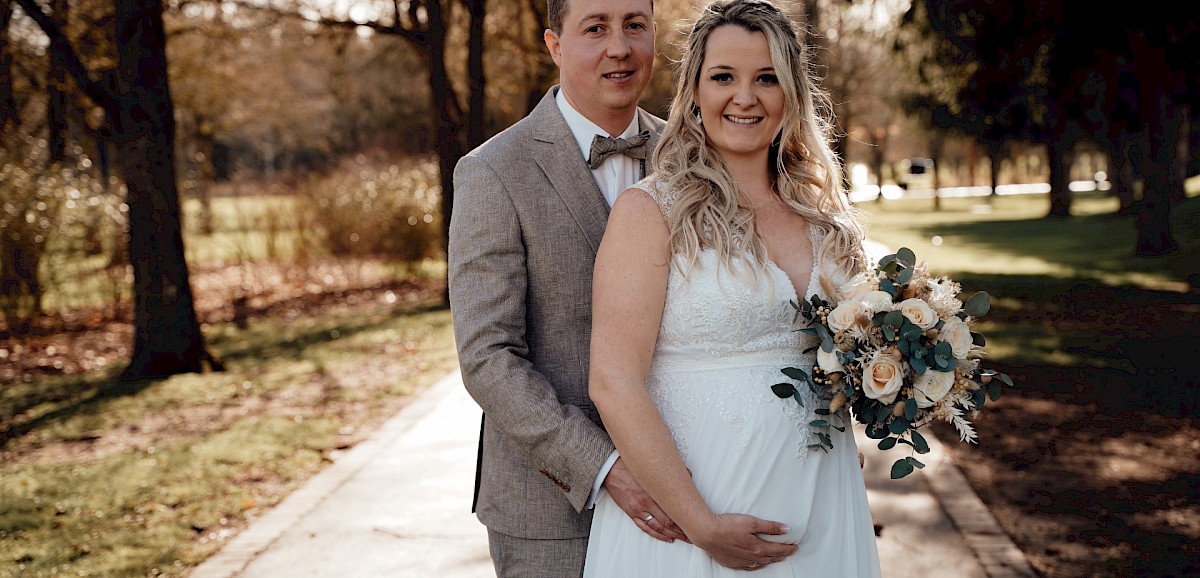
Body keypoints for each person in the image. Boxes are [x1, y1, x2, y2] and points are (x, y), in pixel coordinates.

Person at [582, 0, 883, 575]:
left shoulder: (826, 217)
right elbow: (613, 382)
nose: (745, 97)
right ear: (694, 90)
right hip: (694, 523)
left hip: (822, 506)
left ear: (790, 93)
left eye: (766, 78)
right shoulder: (650, 212)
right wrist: (701, 525)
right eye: (724, 77)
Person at [448, 0, 690, 575]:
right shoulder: (492, 171)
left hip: (690, 489)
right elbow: (487, 356)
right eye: (595, 28)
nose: (620, 47)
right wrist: (604, 467)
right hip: (552, 516)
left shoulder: (694, 157)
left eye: (635, 26)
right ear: (555, 45)